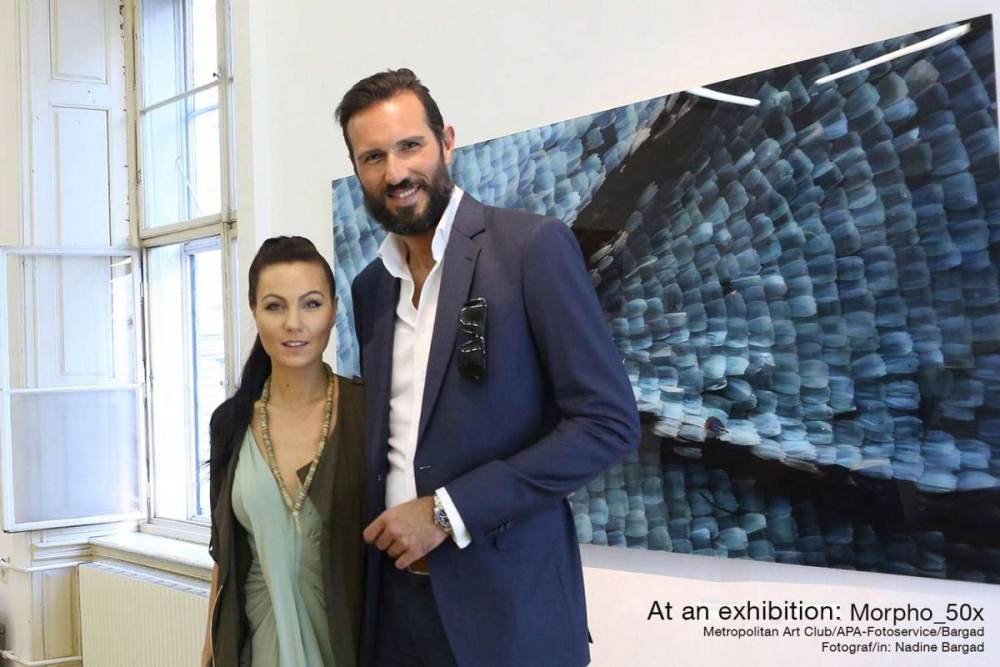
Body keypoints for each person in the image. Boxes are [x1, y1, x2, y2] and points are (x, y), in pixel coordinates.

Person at [336, 69, 641, 667]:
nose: (395, 173)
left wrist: (447, 512)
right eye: (373, 157)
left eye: (410, 146)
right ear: (357, 169)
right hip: (395, 608)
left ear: (447, 142)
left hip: (510, 613)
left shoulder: (531, 248)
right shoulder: (370, 287)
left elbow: (607, 423)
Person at [202, 236, 365, 666]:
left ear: (334, 309)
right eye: (275, 306)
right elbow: (225, 557)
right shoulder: (230, 423)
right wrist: (209, 654)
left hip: (354, 645)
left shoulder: (369, 412)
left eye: (311, 304)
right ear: (254, 311)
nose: (294, 323)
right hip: (260, 645)